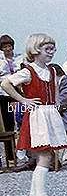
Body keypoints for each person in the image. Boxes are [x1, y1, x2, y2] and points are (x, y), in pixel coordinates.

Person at [1, 34, 67, 196]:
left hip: (49, 115)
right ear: (35, 50)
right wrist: (23, 100)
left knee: (44, 155)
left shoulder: (52, 71)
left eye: (53, 49)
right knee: (45, 155)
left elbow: (54, 93)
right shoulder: (28, 71)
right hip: (37, 117)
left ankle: (33, 195)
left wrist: (55, 106)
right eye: (47, 49)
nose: (51, 52)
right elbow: (6, 84)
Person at [0, 34, 22, 163]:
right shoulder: (0, 61)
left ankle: (27, 154)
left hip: (19, 94)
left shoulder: (19, 58)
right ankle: (10, 156)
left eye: (9, 46)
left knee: (22, 121)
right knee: (9, 125)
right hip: (5, 95)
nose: (8, 49)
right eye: (5, 47)